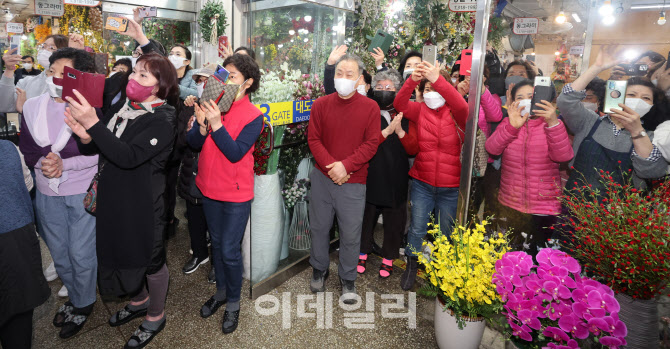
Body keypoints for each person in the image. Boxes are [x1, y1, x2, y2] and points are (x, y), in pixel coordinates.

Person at [64, 52, 178, 348]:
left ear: (157, 86)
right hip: (114, 196)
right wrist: (86, 136)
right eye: (135, 71)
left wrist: (93, 124)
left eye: (143, 74)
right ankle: (139, 300)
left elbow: (129, 157)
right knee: (122, 251)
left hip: (142, 203)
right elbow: (106, 149)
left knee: (150, 260)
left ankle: (156, 314)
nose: (133, 77)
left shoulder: (163, 118)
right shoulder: (126, 108)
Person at [18, 47, 99, 339]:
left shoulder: (89, 108)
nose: (54, 78)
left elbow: (99, 152)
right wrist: (45, 164)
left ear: (80, 77)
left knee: (81, 252)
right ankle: (75, 296)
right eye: (51, 72)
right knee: (60, 253)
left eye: (63, 74)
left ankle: (84, 303)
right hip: (45, 190)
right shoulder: (32, 107)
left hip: (81, 190)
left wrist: (65, 165)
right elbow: (27, 147)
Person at [187, 53, 263, 334]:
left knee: (230, 251)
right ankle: (221, 292)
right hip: (209, 187)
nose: (225, 81)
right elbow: (193, 142)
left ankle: (233, 303)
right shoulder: (213, 102)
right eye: (224, 76)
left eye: (232, 77)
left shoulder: (254, 116)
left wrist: (216, 124)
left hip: (235, 193)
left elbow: (234, 153)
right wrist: (202, 125)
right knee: (216, 245)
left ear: (247, 83)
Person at [308, 53, 380, 302]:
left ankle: (348, 278)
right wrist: (333, 167)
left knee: (350, 233)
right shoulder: (321, 104)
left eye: (349, 74)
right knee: (319, 228)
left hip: (354, 180)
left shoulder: (370, 107)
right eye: (339, 73)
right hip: (322, 178)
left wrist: (346, 166)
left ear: (360, 78)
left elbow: (371, 143)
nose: (343, 78)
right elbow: (314, 139)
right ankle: (319, 269)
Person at [394, 61, 468, 291]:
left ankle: (443, 272)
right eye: (428, 89)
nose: (432, 93)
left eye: (436, 88)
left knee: (445, 233)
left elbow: (461, 105)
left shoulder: (458, 112)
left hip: (451, 186)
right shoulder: (420, 110)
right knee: (417, 228)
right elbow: (399, 103)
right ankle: (412, 266)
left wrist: (438, 81)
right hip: (422, 183)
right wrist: (413, 80)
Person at [556, 45, 668, 198]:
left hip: (618, 216)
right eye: (632, 94)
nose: (637, 101)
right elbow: (566, 100)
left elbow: (652, 172)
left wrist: (637, 132)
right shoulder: (590, 121)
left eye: (646, 98)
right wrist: (596, 68)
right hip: (575, 203)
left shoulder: (651, 137)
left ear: (653, 106)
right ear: (618, 96)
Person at [485, 80, 574, 255]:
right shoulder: (508, 123)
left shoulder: (552, 125)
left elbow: (563, 157)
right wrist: (512, 127)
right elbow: (492, 149)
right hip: (511, 201)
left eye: (531, 96)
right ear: (512, 103)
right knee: (512, 254)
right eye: (520, 97)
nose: (527, 100)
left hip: (545, 206)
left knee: (540, 257)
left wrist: (553, 122)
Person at [358, 69, 418, 278]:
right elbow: (364, 142)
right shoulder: (367, 110)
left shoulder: (406, 113)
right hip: (371, 172)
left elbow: (413, 148)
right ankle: (362, 252)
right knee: (366, 216)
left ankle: (388, 257)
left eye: (389, 88)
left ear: (398, 90)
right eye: (380, 87)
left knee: (394, 219)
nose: (384, 91)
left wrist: (400, 131)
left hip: (397, 174)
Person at [0, 140, 50, 349]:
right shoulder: (9, 148)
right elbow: (26, 184)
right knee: (18, 316)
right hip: (15, 240)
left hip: (13, 239)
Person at [0, 34, 69, 113]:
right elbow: (4, 106)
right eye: (43, 46)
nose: (44, 51)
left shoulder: (70, 85)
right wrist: (9, 69)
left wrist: (25, 110)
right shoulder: (26, 82)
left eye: (52, 48)